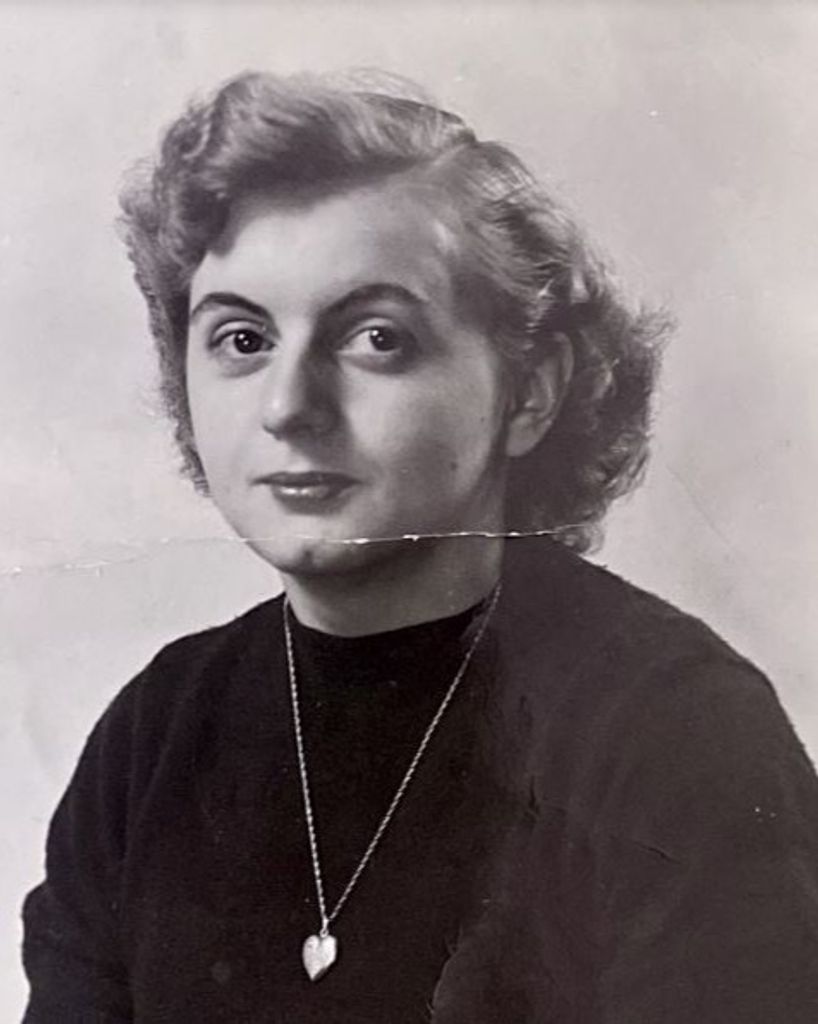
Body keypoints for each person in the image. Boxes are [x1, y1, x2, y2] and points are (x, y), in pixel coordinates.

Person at [21, 69, 818, 1023]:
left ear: (529, 391)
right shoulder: (154, 735)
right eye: (242, 339)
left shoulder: (673, 730)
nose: (288, 407)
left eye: (376, 338)